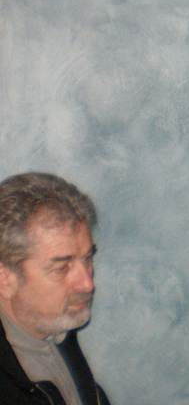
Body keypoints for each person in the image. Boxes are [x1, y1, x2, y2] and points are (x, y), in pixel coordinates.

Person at [0, 172, 110, 404]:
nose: (88, 284)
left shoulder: (59, 330)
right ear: (5, 278)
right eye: (62, 268)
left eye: (87, 258)